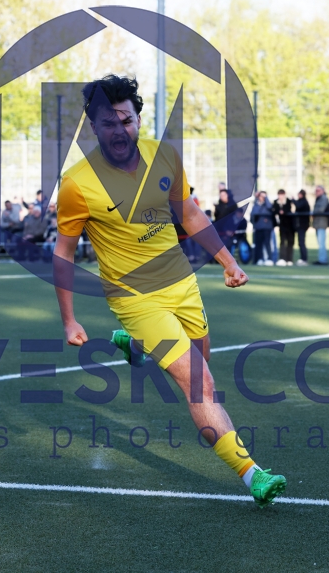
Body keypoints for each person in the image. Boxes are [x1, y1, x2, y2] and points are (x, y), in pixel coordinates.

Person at [54, 74, 286, 507]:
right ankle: (253, 475)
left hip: (182, 284)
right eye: (108, 123)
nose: (119, 130)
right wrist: (69, 319)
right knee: (201, 383)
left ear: (139, 119)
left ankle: (135, 344)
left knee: (202, 365)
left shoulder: (165, 157)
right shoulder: (77, 183)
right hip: (133, 297)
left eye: (126, 120)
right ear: (94, 127)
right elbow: (63, 253)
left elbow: (190, 214)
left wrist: (228, 261)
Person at [271, 189, 295, 266]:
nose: (280, 196)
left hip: (290, 225)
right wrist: (279, 211)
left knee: (290, 242)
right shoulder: (276, 202)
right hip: (282, 225)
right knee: (282, 242)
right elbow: (274, 210)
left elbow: (289, 210)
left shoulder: (289, 201)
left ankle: (289, 259)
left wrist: (283, 211)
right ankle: (282, 258)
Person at [250, 190, 274, 265]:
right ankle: (260, 258)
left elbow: (270, 207)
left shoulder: (267, 205)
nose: (262, 198)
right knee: (259, 244)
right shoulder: (256, 205)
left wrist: (266, 198)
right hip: (258, 227)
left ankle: (269, 259)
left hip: (267, 228)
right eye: (261, 196)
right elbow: (253, 214)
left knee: (267, 243)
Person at [312, 185, 329, 265]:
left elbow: (321, 209)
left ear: (323, 191)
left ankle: (323, 259)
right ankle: (322, 258)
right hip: (317, 223)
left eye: (318, 190)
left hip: (321, 223)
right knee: (320, 242)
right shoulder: (318, 199)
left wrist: (313, 212)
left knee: (321, 242)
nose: (317, 192)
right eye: (316, 191)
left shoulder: (324, 199)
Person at [293, 189, 310, 266]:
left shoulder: (304, 202)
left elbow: (298, 206)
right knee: (300, 243)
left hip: (302, 225)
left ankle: (304, 259)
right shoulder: (301, 201)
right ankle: (303, 258)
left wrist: (293, 200)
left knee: (301, 242)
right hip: (299, 225)